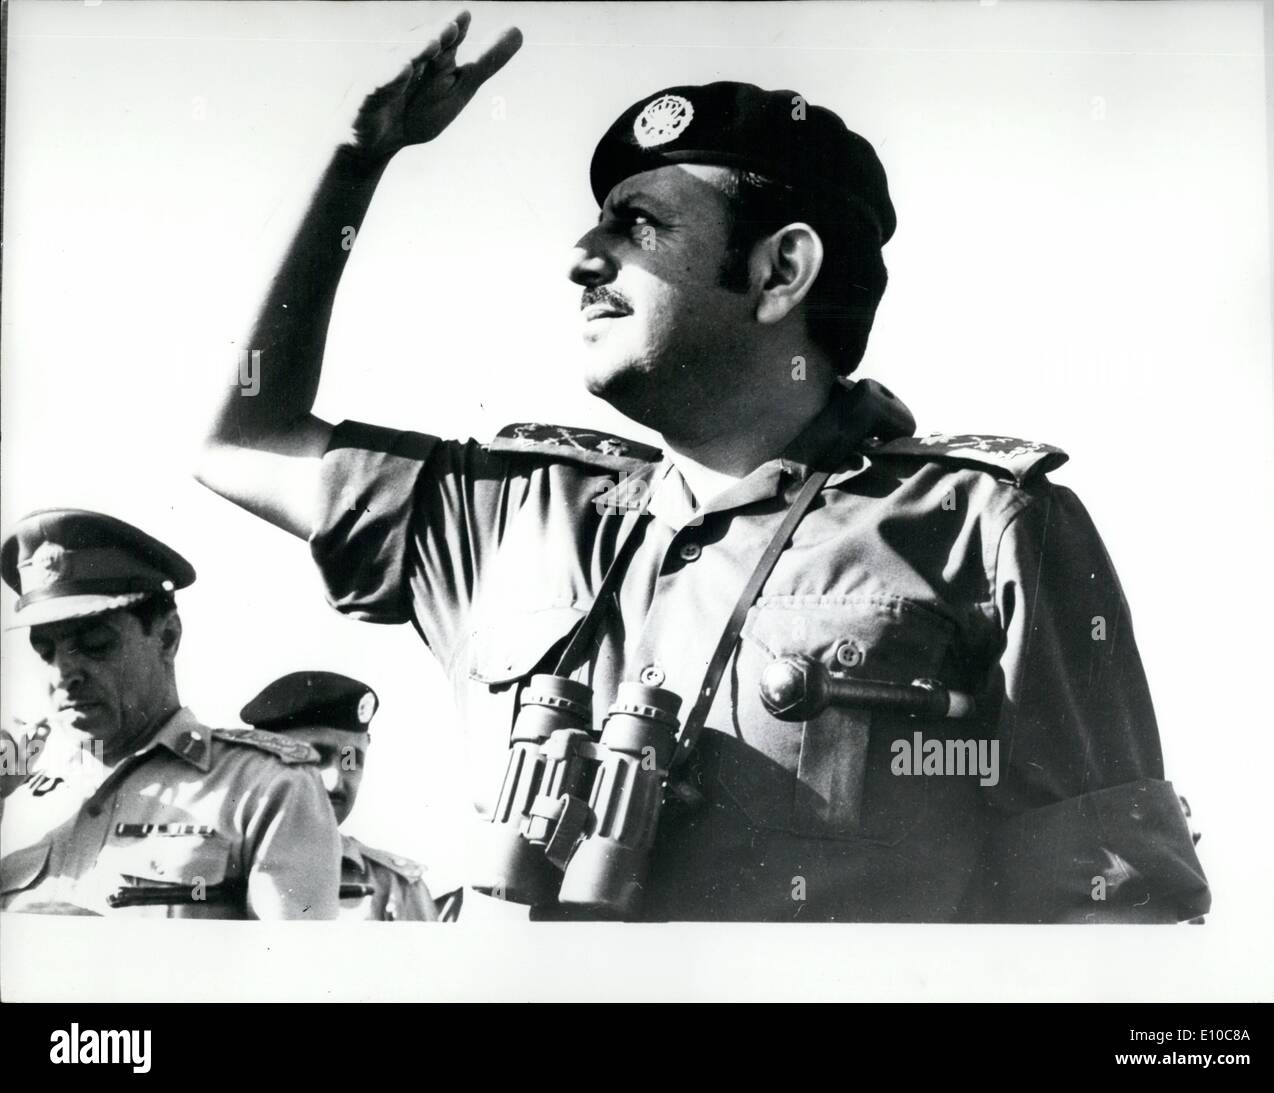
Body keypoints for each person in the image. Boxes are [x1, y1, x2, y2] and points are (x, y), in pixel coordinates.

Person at [194, 12, 1210, 922]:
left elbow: (1104, 914)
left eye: (637, 228)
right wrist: (355, 165)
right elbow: (242, 443)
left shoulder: (983, 530)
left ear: (780, 272)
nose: (582, 258)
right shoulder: (516, 514)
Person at [0, 509, 341, 919]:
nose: (63, 674)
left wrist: (100, 958)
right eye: (45, 651)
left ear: (167, 637)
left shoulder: (264, 788)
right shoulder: (14, 788)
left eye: (94, 644)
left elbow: (296, 975)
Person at [240, 670, 461, 922]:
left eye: (351, 760)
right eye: (314, 757)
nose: (335, 782)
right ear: (262, 758)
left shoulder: (393, 888)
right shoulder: (215, 868)